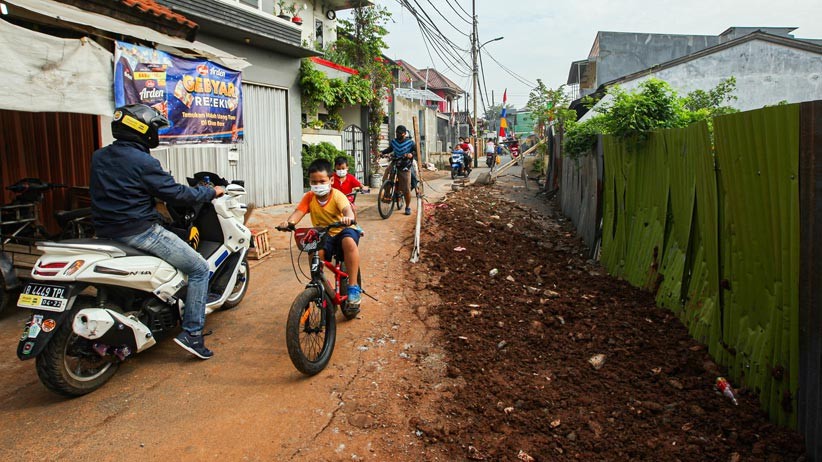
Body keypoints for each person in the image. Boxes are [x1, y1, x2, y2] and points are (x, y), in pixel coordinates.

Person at [90, 104, 224, 360]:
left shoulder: (100, 156)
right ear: (141, 130)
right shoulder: (143, 161)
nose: (155, 133)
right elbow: (177, 194)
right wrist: (210, 192)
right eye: (153, 128)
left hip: (106, 231)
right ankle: (192, 334)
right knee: (198, 268)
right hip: (139, 231)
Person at [279, 159, 362, 309]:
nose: (318, 185)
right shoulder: (309, 197)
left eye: (322, 181)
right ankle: (320, 287)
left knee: (348, 242)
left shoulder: (337, 195)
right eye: (314, 182)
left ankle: (353, 287)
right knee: (314, 251)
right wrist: (289, 223)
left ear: (331, 180)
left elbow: (347, 210)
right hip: (324, 234)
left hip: (343, 229)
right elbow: (299, 212)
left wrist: (348, 218)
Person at [380, 125, 416, 215]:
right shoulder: (394, 142)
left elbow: (416, 151)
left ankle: (407, 207)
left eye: (400, 133)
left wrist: (411, 154)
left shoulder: (410, 142)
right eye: (397, 133)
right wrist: (382, 152)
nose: (398, 134)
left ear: (404, 134)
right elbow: (389, 149)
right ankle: (387, 194)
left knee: (406, 188)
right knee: (386, 175)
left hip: (405, 165)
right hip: (395, 162)